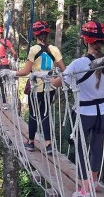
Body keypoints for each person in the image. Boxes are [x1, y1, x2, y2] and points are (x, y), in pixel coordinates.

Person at [51, 21, 104, 197]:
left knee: (80, 149)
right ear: (103, 42)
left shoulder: (78, 64)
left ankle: (85, 190)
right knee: (97, 146)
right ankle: (93, 183)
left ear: (85, 41)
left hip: (84, 114)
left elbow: (57, 83)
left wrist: (51, 78)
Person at [15, 20, 66, 154]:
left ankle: (31, 142)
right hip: (50, 87)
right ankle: (48, 144)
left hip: (36, 87)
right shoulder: (54, 49)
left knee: (33, 115)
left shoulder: (33, 49)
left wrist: (13, 73)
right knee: (45, 114)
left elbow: (26, 72)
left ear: (36, 35)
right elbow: (64, 69)